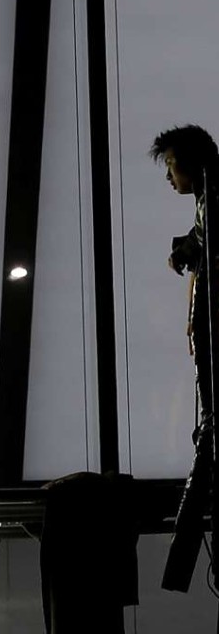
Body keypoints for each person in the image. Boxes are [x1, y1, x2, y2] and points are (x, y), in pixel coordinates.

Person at [152, 124, 219, 591]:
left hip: (213, 342)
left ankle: (180, 565)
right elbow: (200, 239)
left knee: (210, 430)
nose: (169, 176)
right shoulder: (206, 202)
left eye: (172, 165)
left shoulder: (212, 197)